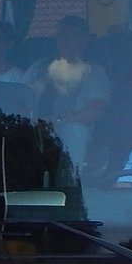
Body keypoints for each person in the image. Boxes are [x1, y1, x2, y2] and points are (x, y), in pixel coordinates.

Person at [23, 15, 111, 164]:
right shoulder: (38, 67)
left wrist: (58, 120)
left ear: (85, 40)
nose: (65, 40)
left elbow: (96, 110)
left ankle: (68, 183)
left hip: (69, 127)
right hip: (34, 126)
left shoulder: (95, 72)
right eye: (62, 35)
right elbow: (20, 97)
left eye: (72, 36)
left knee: (75, 130)